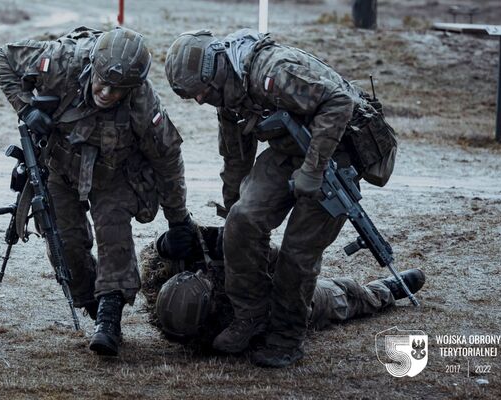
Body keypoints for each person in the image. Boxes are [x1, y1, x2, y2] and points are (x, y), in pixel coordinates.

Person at [164, 29, 399, 367]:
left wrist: (314, 170)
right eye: (193, 96)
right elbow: (235, 158)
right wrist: (232, 218)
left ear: (213, 71)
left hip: (335, 151)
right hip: (289, 149)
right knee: (243, 219)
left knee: (297, 251)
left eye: (201, 92)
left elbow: (338, 102)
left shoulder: (272, 70)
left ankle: (286, 338)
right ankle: (250, 315)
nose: (200, 100)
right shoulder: (227, 94)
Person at [0, 26, 196, 356]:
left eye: (118, 90)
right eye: (103, 81)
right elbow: (4, 57)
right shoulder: (60, 61)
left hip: (115, 174)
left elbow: (168, 158)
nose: (106, 92)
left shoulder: (142, 101)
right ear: (93, 67)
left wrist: (178, 219)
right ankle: (91, 302)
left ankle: (109, 319)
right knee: (66, 245)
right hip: (59, 168)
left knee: (114, 234)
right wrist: (25, 107)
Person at [147, 226, 424, 350]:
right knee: (345, 295)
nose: (200, 273)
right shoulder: (227, 326)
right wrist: (257, 254)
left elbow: (154, 257)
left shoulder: (165, 292)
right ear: (209, 308)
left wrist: (167, 242)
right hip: (280, 296)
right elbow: (280, 264)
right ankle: (386, 290)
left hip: (251, 276)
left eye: (195, 274)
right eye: (203, 280)